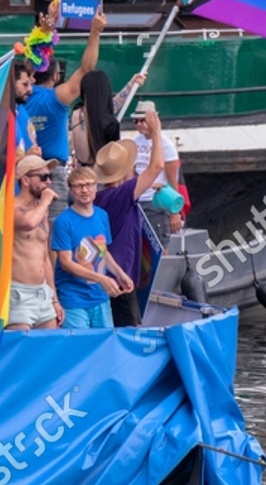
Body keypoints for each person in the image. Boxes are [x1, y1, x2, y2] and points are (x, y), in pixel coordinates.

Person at [28, 8, 104, 216]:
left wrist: (44, 31)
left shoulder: (20, 95)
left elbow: (28, 60)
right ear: (55, 77)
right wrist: (95, 31)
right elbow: (87, 69)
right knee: (54, 233)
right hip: (52, 172)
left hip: (25, 172)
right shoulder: (57, 98)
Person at [92, 112, 165, 328]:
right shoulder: (121, 195)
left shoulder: (100, 197)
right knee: (132, 330)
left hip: (109, 274)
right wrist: (157, 133)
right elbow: (157, 167)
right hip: (120, 278)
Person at [51, 166, 133, 329]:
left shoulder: (102, 215)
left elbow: (103, 252)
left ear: (96, 187)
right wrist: (101, 278)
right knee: (81, 348)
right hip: (74, 300)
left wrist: (120, 274)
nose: (85, 190)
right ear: (71, 189)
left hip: (100, 297)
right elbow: (66, 263)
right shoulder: (63, 221)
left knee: (104, 346)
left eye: (89, 185)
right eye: (79, 186)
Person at [6, 156, 63, 329]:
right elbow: (27, 223)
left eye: (50, 176)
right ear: (25, 180)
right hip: (19, 294)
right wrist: (46, 201)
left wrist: (54, 298)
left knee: (49, 351)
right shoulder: (11, 205)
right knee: (21, 351)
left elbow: (44, 257)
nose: (49, 182)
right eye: (43, 177)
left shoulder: (41, 211)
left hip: (43, 293)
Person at [130, 101, 182, 237]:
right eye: (136, 121)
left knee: (158, 243)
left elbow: (172, 179)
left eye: (143, 120)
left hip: (156, 200)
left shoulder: (167, 145)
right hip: (137, 201)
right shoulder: (136, 141)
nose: (139, 124)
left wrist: (174, 211)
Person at [69, 68, 123, 167]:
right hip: (102, 173)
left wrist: (131, 84)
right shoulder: (110, 123)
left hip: (80, 171)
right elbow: (114, 158)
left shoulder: (76, 112)